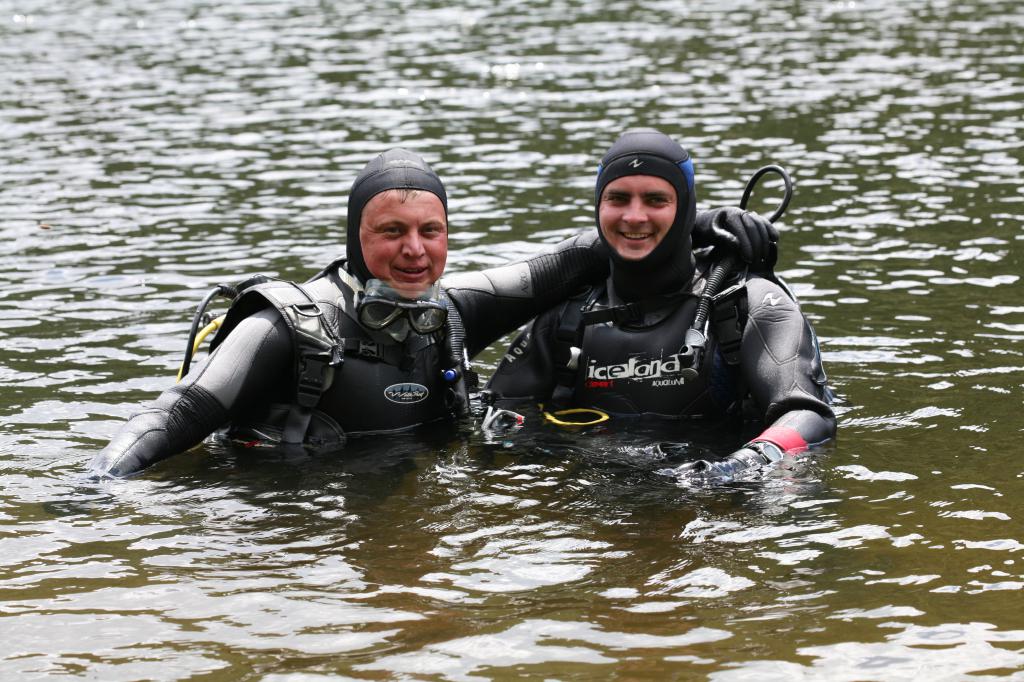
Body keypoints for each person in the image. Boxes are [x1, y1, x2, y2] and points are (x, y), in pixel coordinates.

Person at [90, 147, 777, 478]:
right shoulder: (290, 327)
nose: (414, 252)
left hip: (402, 509)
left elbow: (579, 256)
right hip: (288, 516)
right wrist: (97, 487)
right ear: (356, 240)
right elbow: (176, 413)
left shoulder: (451, 312)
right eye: (391, 233)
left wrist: (701, 220)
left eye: (431, 231)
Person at [482, 129, 836, 480]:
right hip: (600, 503)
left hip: (714, 507)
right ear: (598, 206)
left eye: (655, 200)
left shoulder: (746, 302)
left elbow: (808, 413)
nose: (634, 216)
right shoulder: (570, 317)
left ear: (685, 209)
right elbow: (496, 415)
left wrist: (739, 466)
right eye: (618, 198)